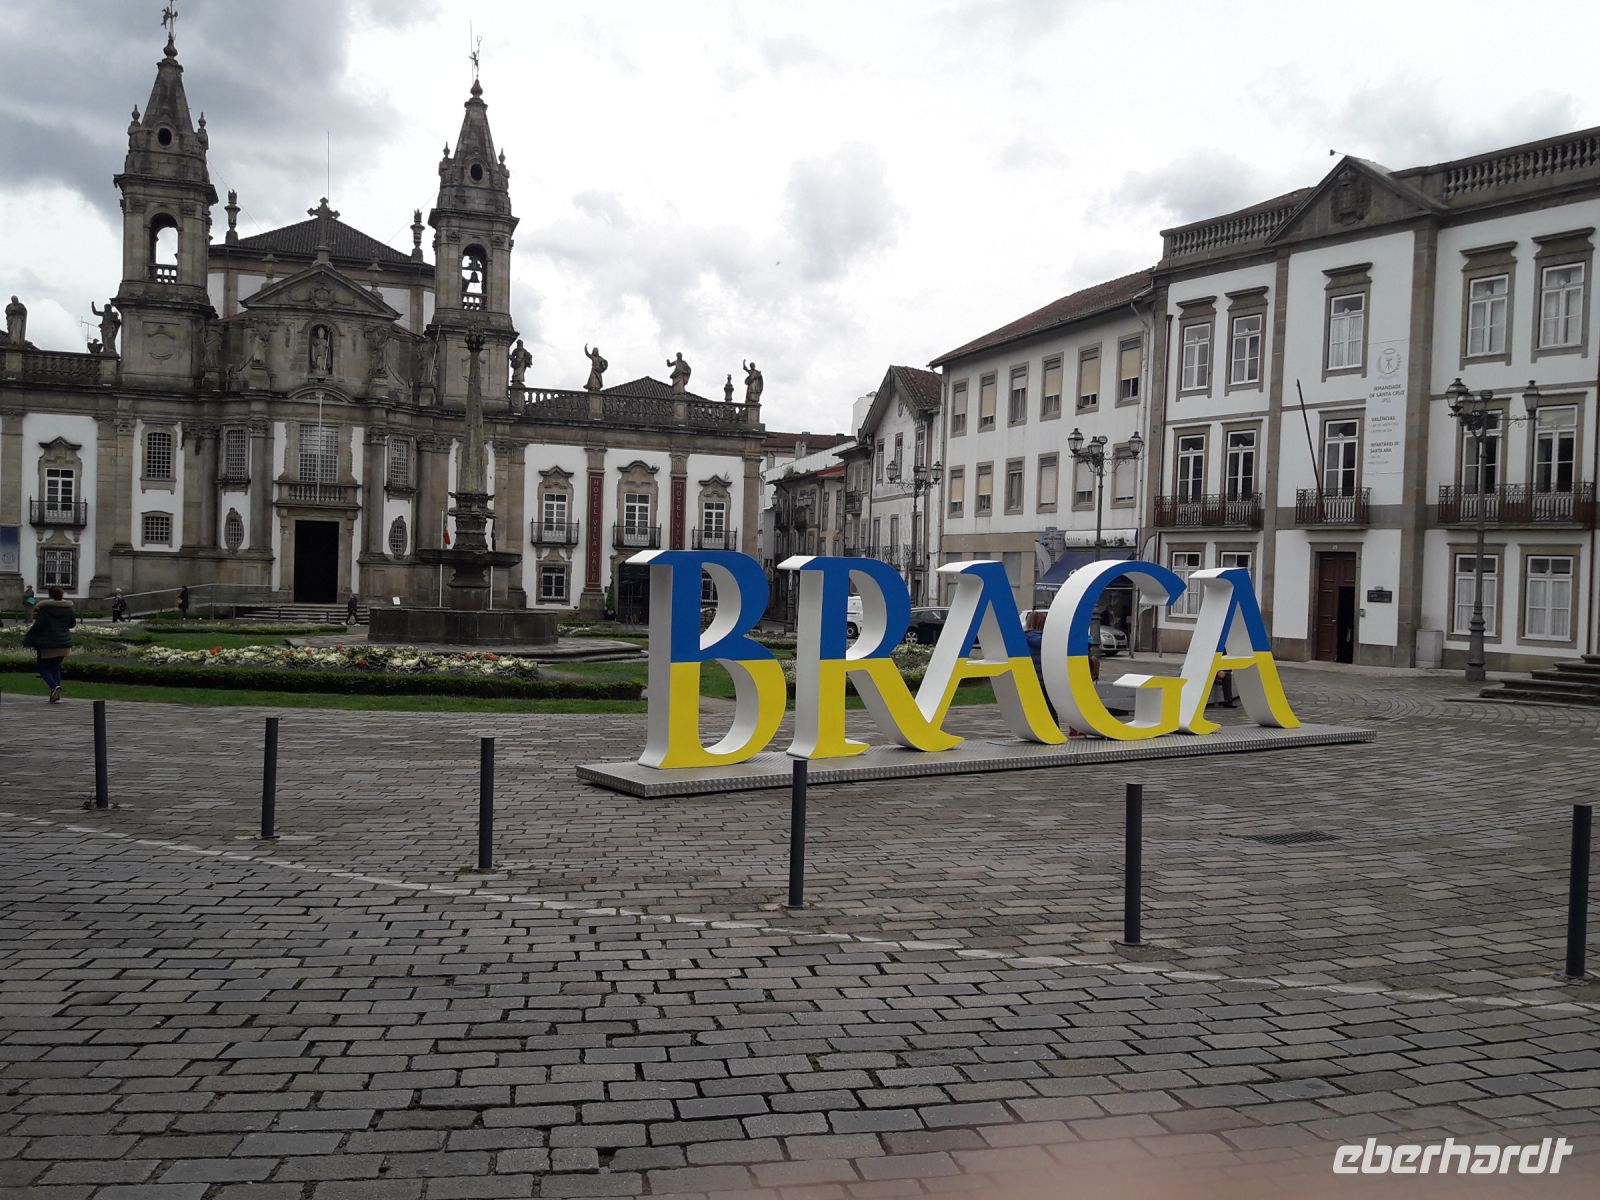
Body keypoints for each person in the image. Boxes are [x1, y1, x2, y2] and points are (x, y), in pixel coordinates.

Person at [22, 585, 76, 703]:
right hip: (64, 643)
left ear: (50, 595)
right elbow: (72, 624)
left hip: (47, 643)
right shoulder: (68, 608)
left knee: (43, 667)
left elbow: (39, 625)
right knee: (55, 668)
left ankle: (54, 687)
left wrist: (29, 638)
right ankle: (56, 692)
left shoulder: (45, 609)